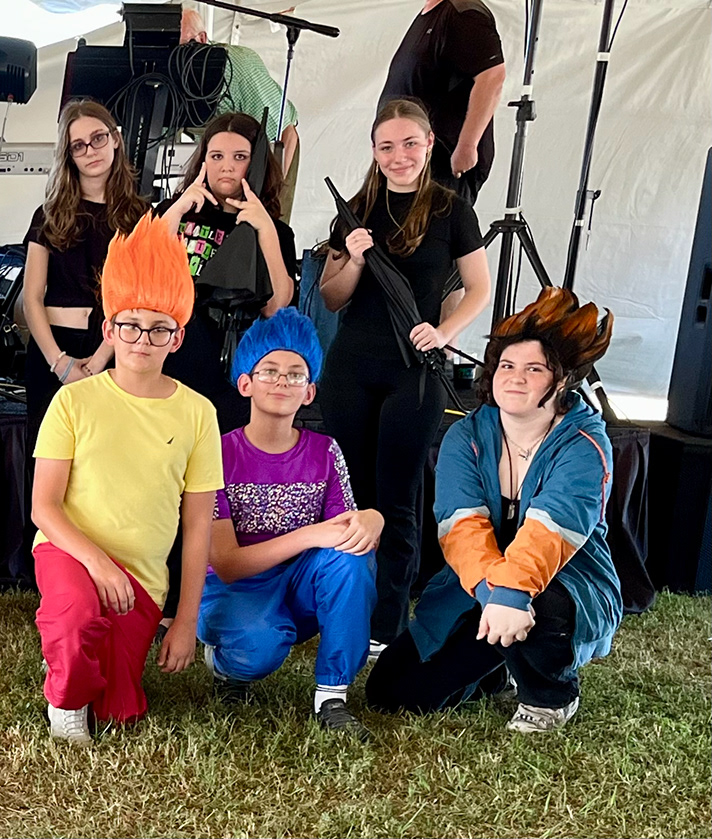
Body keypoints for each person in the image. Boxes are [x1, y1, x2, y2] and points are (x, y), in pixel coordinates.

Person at [367, 288, 617, 734]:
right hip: (478, 586)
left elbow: (550, 531)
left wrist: (511, 598)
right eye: (506, 366)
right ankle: (499, 666)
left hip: (561, 580)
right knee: (392, 691)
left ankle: (550, 696)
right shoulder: (466, 436)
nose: (515, 378)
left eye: (533, 369)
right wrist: (495, 597)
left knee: (545, 605)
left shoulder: (585, 444)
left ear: (561, 381)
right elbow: (461, 527)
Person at [31, 214, 221, 745]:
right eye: (131, 325)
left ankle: (86, 667)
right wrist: (96, 563)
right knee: (74, 627)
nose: (143, 339)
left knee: (121, 709)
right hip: (71, 553)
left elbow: (199, 526)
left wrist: (184, 621)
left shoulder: (198, 413)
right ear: (109, 328)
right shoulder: (73, 399)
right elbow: (44, 508)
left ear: (177, 337)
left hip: (142, 580)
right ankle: (63, 697)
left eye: (159, 327)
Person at [319, 98, 492, 652]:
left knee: (396, 497)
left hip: (412, 373)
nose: (399, 156)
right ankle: (347, 607)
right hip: (351, 366)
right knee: (352, 495)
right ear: (373, 151)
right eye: (387, 146)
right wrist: (355, 260)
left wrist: (444, 332)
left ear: (429, 145)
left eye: (409, 144)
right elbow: (332, 296)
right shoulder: (355, 209)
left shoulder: (451, 210)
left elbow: (478, 289)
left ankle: (386, 626)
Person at [196, 307, 379, 741]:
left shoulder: (325, 451)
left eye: (295, 374)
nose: (282, 381)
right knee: (259, 648)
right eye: (270, 371)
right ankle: (227, 665)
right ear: (245, 383)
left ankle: (332, 697)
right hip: (233, 588)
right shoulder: (217, 453)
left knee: (351, 559)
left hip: (299, 583)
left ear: (310, 391)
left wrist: (374, 518)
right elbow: (226, 564)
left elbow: (345, 530)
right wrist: (310, 534)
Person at [155, 111, 298, 432]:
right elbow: (144, 266)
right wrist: (177, 207)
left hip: (232, 377)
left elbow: (277, 306)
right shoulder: (171, 213)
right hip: (167, 367)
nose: (227, 166)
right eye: (216, 156)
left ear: (257, 162)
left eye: (240, 157)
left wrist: (264, 228)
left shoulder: (275, 232)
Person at [20, 100, 148, 444]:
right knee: (48, 460)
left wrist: (103, 357)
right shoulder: (47, 214)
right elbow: (31, 298)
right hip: (52, 348)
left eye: (99, 138)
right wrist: (58, 363)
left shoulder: (141, 216)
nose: (91, 150)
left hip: (116, 347)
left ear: (116, 139)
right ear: (68, 155)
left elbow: (139, 296)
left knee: (104, 462)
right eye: (79, 145)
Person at [180, 7, 302, 219]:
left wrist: (272, 198)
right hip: (219, 157)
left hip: (273, 150)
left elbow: (282, 133)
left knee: (266, 227)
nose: (173, 56)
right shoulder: (167, 71)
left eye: (180, 46)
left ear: (201, 38)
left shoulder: (238, 66)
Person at [380, 0, 506, 204]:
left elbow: (492, 77)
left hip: (441, 163)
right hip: (414, 163)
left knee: (438, 232)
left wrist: (467, 146)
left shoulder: (463, 12)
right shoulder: (432, 13)